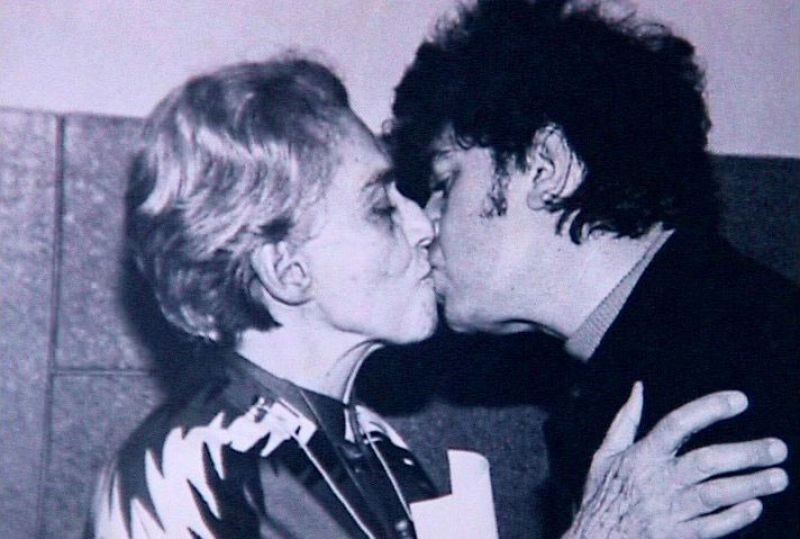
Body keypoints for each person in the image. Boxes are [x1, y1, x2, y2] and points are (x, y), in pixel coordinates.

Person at [88, 55, 783, 539]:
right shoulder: (187, 469)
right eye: (380, 208)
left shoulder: (381, 452)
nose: (423, 224)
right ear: (286, 268)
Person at [388, 0, 799, 537]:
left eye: (446, 182)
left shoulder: (715, 382)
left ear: (548, 167)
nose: (425, 223)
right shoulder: (701, 327)